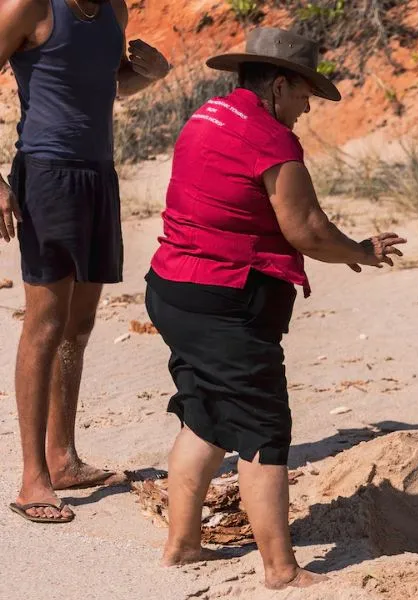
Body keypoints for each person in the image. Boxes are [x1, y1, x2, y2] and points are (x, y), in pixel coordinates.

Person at [144, 28, 406, 590]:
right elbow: (306, 229)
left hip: (173, 289)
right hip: (224, 299)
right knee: (265, 429)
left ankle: (181, 546)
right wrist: (360, 250)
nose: (308, 105)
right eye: (305, 92)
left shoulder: (207, 117)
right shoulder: (269, 138)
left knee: (205, 415)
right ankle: (282, 571)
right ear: (279, 84)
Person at [1, 0, 171, 523]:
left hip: (99, 173)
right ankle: (33, 478)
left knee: (80, 324)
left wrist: (153, 75)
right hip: (48, 173)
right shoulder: (30, 6)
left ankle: (63, 457)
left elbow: (108, 84)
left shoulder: (113, 10)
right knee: (46, 324)